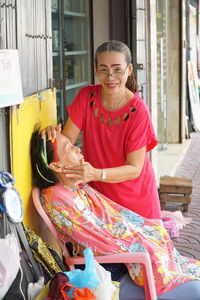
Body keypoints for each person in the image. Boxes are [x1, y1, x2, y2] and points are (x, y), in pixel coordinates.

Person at [31, 127, 200, 299]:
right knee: (196, 290)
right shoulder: (57, 197)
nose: (77, 148)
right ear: (56, 165)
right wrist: (141, 242)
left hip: (129, 264)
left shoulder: (78, 188)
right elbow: (95, 246)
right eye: (69, 148)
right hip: (117, 273)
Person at [43, 40, 161, 220]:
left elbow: (134, 168)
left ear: (129, 70)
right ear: (96, 70)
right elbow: (66, 142)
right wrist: (53, 135)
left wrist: (97, 174)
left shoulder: (139, 112)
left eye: (117, 69)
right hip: (99, 199)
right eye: (104, 69)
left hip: (136, 201)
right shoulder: (86, 97)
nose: (110, 76)